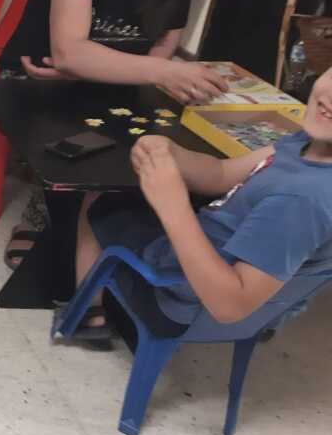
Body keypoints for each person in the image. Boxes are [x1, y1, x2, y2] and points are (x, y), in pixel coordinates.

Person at [0, 0, 230, 269]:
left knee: (167, 137)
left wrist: (163, 74)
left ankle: (113, 232)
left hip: (112, 81)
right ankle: (41, 218)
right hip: (36, 78)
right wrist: (158, 71)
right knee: (82, 137)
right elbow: (68, 53)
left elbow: (161, 49)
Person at [61, 68, 332, 347]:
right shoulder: (309, 143)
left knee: (101, 197)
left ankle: (88, 315)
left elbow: (230, 306)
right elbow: (222, 174)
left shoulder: (302, 201)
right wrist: (173, 153)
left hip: (177, 301)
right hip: (209, 256)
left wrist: (172, 204)